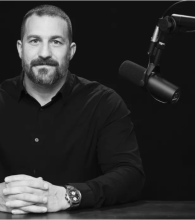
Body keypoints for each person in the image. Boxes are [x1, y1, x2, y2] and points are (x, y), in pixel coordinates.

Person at [0, 4, 146, 215]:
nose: (44, 53)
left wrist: (68, 196)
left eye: (56, 42)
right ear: (20, 49)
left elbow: (131, 176)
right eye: (34, 41)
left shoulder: (104, 103)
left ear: (71, 51)